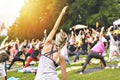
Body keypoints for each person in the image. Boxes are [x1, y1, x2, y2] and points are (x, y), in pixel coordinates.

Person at [35, 6, 68, 80]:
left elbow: (55, 28)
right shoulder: (61, 57)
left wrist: (62, 14)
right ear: (64, 43)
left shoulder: (47, 44)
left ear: (56, 37)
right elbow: (64, 78)